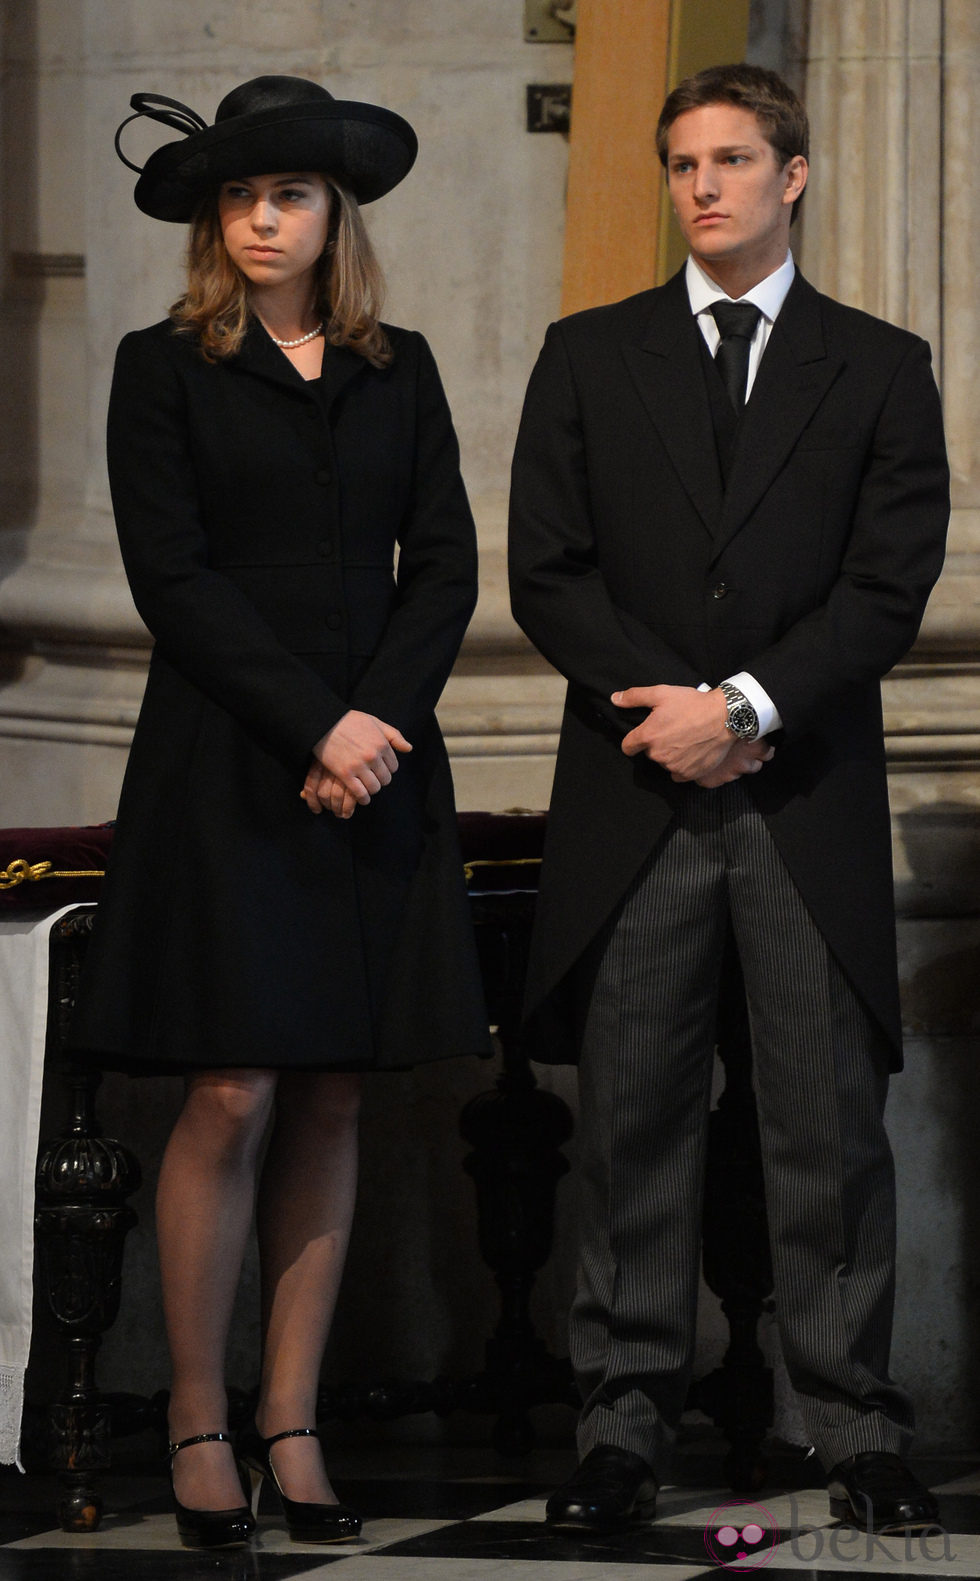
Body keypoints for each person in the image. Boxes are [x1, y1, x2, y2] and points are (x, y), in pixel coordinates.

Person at [509, 63, 949, 1535]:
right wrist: (673, 713)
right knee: (631, 1116)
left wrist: (749, 707)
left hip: (800, 785)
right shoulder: (588, 353)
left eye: (732, 159)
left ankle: (846, 1414)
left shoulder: (881, 364)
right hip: (640, 791)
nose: (702, 185)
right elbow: (550, 569)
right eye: (683, 162)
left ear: (795, 175)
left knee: (828, 1121)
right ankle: (622, 1423)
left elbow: (887, 585)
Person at [70, 74, 489, 1549]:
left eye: (291, 195)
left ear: (334, 216)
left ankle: (292, 1419)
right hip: (230, 760)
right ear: (215, 218)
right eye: (240, 195)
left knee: (329, 1081)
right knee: (233, 1085)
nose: (263, 216)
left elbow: (443, 563)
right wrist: (315, 722)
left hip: (379, 755)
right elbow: (170, 578)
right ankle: (196, 1414)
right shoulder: (160, 364)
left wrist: (374, 720)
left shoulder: (403, 367)